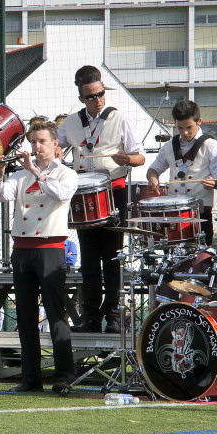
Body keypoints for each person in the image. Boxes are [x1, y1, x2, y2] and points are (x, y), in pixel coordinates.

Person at [0, 121, 78, 395]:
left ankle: (64, 376)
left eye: (41, 142)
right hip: (22, 249)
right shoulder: (20, 176)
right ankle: (30, 378)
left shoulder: (66, 174)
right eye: (33, 143)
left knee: (54, 313)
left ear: (55, 146)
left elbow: (60, 194)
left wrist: (35, 171)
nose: (36, 148)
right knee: (25, 316)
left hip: (50, 248)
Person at [58, 65, 145, 334]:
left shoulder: (121, 119)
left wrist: (126, 159)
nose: (97, 101)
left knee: (112, 257)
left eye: (100, 94)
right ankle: (91, 316)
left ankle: (115, 315)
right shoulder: (70, 123)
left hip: (114, 191)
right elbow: (55, 150)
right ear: (81, 98)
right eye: (91, 97)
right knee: (89, 258)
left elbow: (139, 157)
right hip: (83, 194)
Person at [147, 99, 217, 245]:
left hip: (200, 214)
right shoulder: (168, 147)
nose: (184, 133)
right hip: (173, 214)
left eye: (189, 127)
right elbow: (153, 169)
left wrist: (214, 183)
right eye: (180, 128)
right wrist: (153, 178)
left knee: (201, 260)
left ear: (199, 122)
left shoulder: (212, 146)